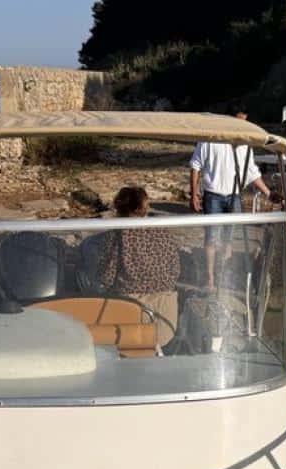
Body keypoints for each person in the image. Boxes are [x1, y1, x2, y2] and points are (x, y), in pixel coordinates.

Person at [189, 106, 270, 291]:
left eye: (244, 122)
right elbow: (195, 166)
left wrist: (268, 192)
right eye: (239, 121)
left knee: (229, 239)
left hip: (235, 195)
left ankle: (224, 276)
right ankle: (210, 278)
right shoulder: (209, 139)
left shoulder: (245, 143)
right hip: (213, 195)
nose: (242, 126)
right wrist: (193, 194)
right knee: (211, 238)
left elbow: (252, 172)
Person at [97, 185, 180, 344]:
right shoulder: (161, 230)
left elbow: (106, 275)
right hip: (165, 316)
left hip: (130, 312)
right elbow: (175, 268)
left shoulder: (116, 233)